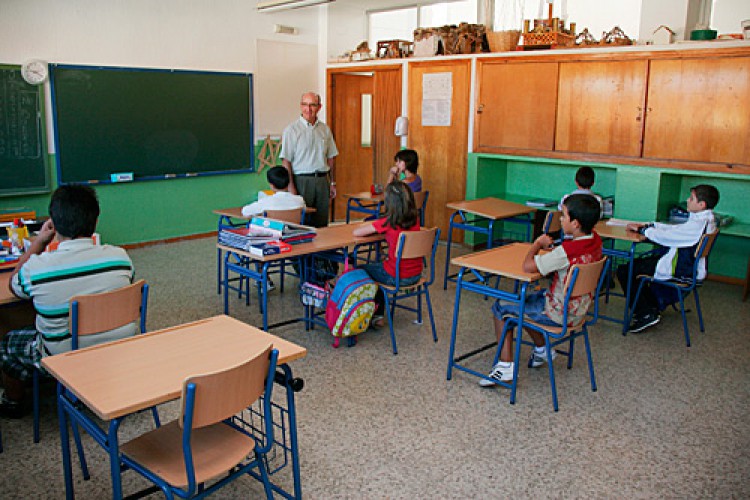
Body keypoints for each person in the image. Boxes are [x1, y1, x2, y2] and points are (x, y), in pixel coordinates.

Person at [0, 185, 136, 418]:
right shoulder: (120, 257)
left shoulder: (37, 269)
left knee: (7, 343)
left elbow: (14, 285)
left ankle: (14, 402)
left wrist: (38, 243)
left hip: (63, 354)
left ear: (53, 223)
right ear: (96, 220)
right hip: (119, 345)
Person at [480, 194, 603, 387]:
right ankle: (542, 349)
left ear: (576, 223)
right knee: (526, 303)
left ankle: (505, 367)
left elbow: (528, 267)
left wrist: (537, 244)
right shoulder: (595, 241)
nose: (561, 220)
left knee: (501, 308)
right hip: (579, 312)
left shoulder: (565, 253)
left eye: (563, 216)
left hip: (557, 313)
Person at [617, 184, 719, 334]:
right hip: (686, 265)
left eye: (691, 198)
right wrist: (651, 225)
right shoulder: (706, 220)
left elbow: (666, 237)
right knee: (639, 265)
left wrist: (642, 230)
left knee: (626, 270)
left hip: (680, 269)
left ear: (701, 205)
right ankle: (651, 306)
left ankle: (645, 313)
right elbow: (676, 230)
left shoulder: (698, 225)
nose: (687, 200)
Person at [352, 181, 422, 327]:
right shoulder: (415, 220)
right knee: (378, 267)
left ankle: (374, 314)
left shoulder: (388, 222)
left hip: (395, 275)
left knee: (361, 269)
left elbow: (356, 232)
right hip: (416, 275)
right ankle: (377, 315)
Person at [280, 92, 339, 228]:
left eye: (312, 105)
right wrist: (291, 188)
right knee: (302, 222)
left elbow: (331, 157)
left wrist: (332, 182)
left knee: (322, 223)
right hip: (301, 181)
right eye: (305, 105)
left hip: (322, 181)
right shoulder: (291, 130)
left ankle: (322, 250)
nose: (308, 109)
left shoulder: (325, 130)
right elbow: (286, 161)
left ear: (319, 107)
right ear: (300, 106)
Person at [241, 165, 305, 217]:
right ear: (288, 182)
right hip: (295, 232)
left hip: (273, 232)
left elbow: (245, 211)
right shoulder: (299, 200)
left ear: (271, 185)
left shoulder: (266, 202)